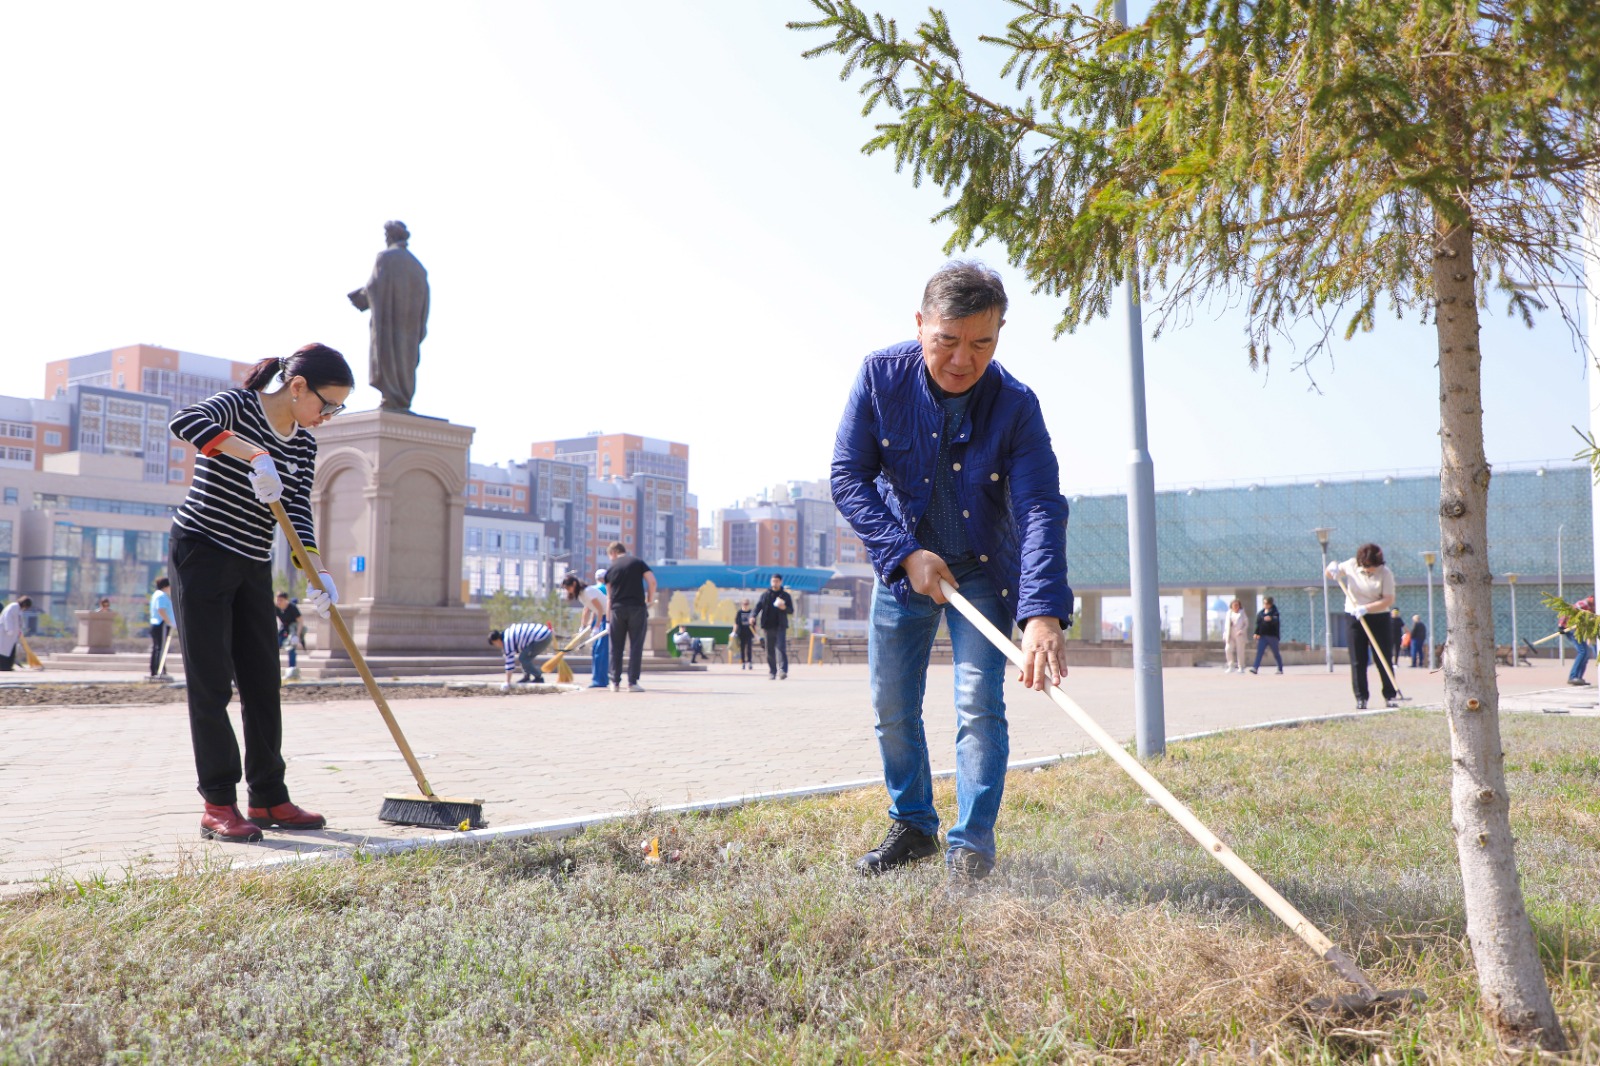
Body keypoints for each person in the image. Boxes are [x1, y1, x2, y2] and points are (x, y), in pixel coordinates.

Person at [831, 260, 1071, 883]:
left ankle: (971, 846)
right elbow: (847, 477)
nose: (963, 359)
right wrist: (905, 553)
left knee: (977, 705)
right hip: (904, 564)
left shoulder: (1016, 406)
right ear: (920, 327)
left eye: (982, 343)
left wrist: (1041, 612)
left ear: (998, 337)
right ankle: (913, 826)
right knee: (891, 706)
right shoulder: (880, 377)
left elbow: (1041, 505)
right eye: (948, 340)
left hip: (983, 569)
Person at [167, 342, 353, 842]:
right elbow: (184, 422)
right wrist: (254, 455)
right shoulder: (238, 406)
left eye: (338, 409)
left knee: (262, 681)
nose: (328, 417)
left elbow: (297, 517)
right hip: (201, 551)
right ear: (297, 387)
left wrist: (318, 574)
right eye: (326, 405)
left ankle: (269, 796)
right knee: (211, 681)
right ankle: (218, 804)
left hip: (252, 561)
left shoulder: (306, 445)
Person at [347, 220, 429, 412]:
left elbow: (376, 287)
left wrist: (361, 298)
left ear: (390, 236)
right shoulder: (419, 268)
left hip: (389, 325)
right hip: (410, 330)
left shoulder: (385, 258)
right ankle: (401, 398)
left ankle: (391, 398)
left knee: (389, 358)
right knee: (405, 362)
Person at [1327, 543, 1398, 709]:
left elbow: (1388, 599)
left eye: (1372, 567)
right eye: (1366, 566)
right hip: (1354, 617)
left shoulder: (1385, 573)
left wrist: (1367, 608)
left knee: (1383, 657)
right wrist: (1331, 569)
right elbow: (1330, 574)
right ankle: (1361, 697)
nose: (1369, 570)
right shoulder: (1351, 564)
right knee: (1358, 659)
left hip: (1378, 616)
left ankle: (1390, 694)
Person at [604, 541, 657, 692]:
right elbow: (652, 582)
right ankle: (632, 683)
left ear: (613, 552)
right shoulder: (638, 562)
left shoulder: (610, 569)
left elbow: (609, 597)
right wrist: (649, 601)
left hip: (616, 610)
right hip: (637, 609)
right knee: (635, 646)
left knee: (616, 647)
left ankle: (614, 682)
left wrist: (608, 620)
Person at [561, 573, 610, 689]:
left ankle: (601, 681)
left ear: (574, 584)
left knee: (600, 649)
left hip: (607, 617)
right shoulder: (581, 594)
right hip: (600, 617)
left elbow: (599, 609)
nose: (568, 591)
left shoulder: (588, 591)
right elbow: (588, 609)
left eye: (568, 588)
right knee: (596, 650)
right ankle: (598, 678)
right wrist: (584, 626)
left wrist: (597, 627)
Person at [752, 573, 795, 680]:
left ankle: (782, 670)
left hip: (780, 625)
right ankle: (772, 671)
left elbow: (791, 610)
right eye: (773, 581)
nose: (774, 583)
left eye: (776, 581)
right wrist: (753, 616)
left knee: (781, 647)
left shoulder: (785, 596)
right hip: (767, 626)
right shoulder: (765, 595)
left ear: (780, 582)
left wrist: (784, 607)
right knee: (769, 649)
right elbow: (758, 607)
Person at [489, 621, 554, 688]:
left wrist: (507, 682)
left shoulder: (507, 641)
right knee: (524, 657)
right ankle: (527, 677)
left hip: (542, 637)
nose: (497, 646)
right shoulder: (507, 634)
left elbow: (509, 663)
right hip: (544, 634)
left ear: (497, 640)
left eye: (495, 644)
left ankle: (538, 677)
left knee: (523, 658)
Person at [1558, 593, 1595, 687]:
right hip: (1570, 629)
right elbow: (1569, 611)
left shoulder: (1592, 607)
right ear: (1591, 598)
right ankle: (1573, 677)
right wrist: (1561, 625)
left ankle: (1578, 677)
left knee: (1586, 653)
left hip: (1578, 630)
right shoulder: (1583, 604)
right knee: (1583, 651)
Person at [149, 578, 175, 679]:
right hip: (161, 624)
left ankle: (157, 670)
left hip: (157, 625)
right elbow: (161, 609)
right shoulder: (161, 595)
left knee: (158, 648)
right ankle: (159, 670)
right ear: (165, 586)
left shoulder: (157, 594)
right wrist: (169, 622)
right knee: (160, 648)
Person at [1249, 597, 1283, 674]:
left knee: (1276, 653)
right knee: (1259, 652)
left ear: (1270, 604)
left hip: (1272, 636)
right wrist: (1256, 633)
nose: (1265, 605)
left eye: (1267, 603)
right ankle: (1255, 668)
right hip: (1263, 636)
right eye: (1264, 603)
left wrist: (1271, 618)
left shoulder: (1275, 612)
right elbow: (1258, 624)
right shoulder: (1260, 613)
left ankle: (1280, 668)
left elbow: (1276, 620)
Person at [274, 591, 302, 681]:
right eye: (277, 600)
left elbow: (300, 622)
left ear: (286, 600)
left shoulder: (292, 608)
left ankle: (292, 671)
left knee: (291, 649)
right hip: (284, 628)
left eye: (281, 600)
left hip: (293, 628)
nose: (279, 602)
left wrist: (297, 636)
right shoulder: (276, 608)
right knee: (275, 645)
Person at [0, 596, 31, 671]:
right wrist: (9, 629)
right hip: (6, 633)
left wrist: (20, 630)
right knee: (3, 652)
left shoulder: (18, 609)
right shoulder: (13, 607)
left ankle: (8, 666)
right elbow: (8, 618)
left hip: (12, 636)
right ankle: (4, 667)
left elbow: (19, 622)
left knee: (10, 652)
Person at [1223, 598, 1249, 673]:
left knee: (1240, 651)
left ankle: (1241, 667)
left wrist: (1242, 630)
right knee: (1228, 649)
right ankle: (1230, 666)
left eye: (1237, 605)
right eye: (1234, 605)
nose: (1235, 606)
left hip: (1239, 634)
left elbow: (1246, 624)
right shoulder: (1229, 613)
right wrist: (1225, 633)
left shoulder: (1242, 613)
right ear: (1231, 606)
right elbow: (1226, 625)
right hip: (1230, 634)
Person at [734, 598, 756, 670]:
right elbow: (736, 623)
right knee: (742, 648)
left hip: (749, 632)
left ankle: (749, 662)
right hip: (741, 633)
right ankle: (743, 662)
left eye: (747, 604)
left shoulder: (751, 612)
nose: (745, 605)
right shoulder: (739, 612)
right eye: (744, 604)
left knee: (749, 648)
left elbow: (754, 624)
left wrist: (756, 634)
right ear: (742, 604)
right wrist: (734, 632)